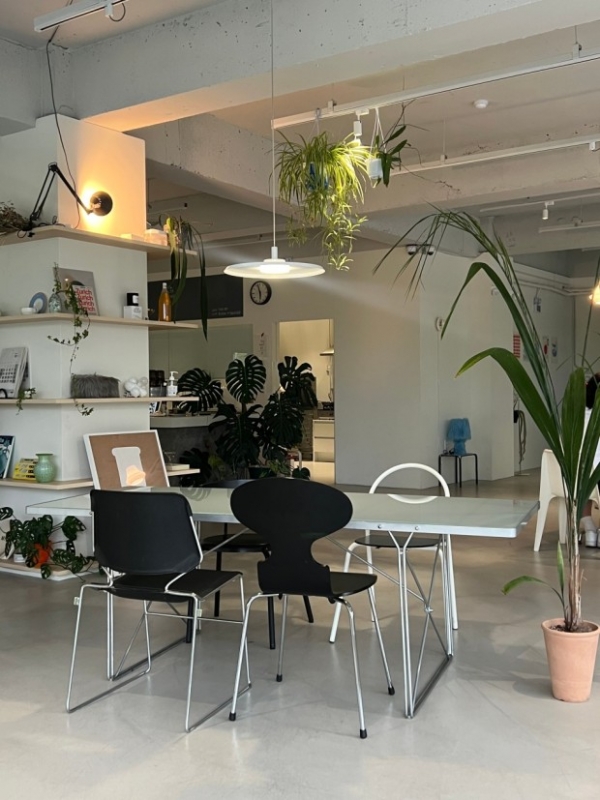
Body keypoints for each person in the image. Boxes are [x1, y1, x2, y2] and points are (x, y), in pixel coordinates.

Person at [580, 373, 600, 547]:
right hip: (597, 480)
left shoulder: (576, 417)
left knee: (585, 472)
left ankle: (588, 526)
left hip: (574, 482)